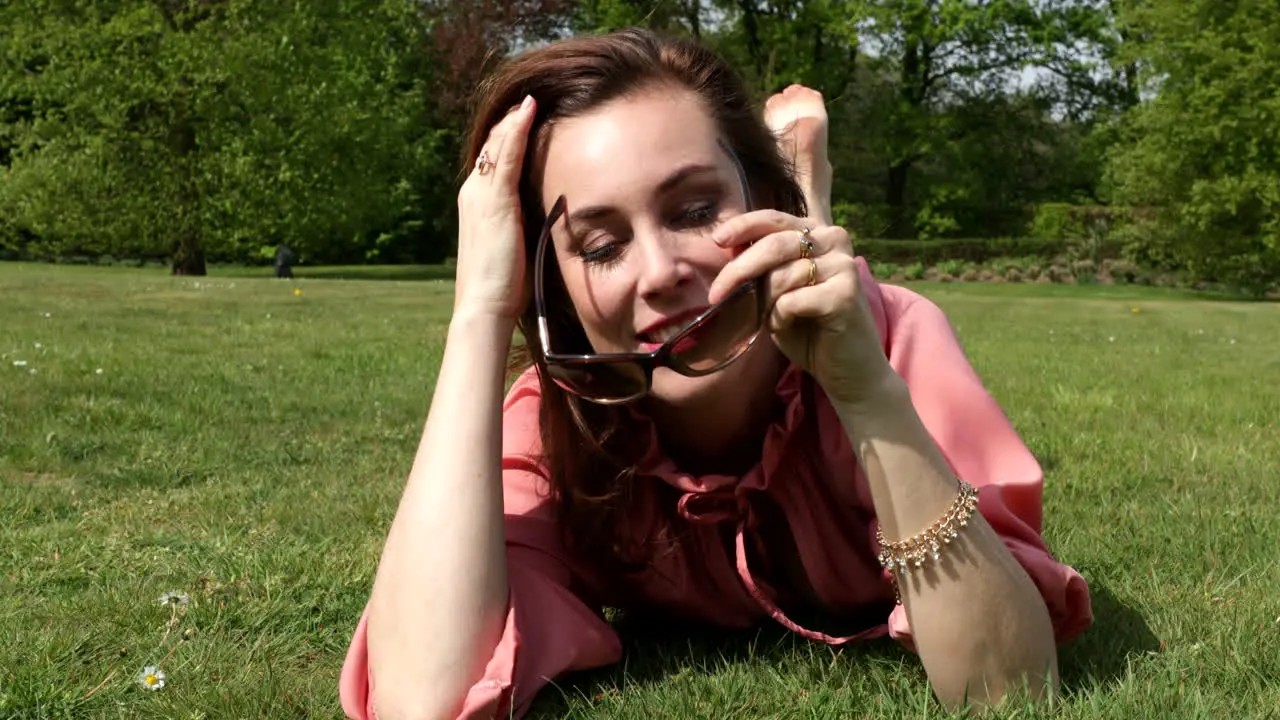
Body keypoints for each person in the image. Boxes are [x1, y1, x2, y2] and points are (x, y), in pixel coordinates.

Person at [340, 29, 1092, 720]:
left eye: (697, 209)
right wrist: (478, 313)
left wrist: (867, 397)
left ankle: (802, 187)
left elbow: (1009, 690)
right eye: (600, 247)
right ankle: (797, 185)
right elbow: (418, 699)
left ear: (757, 205)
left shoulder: (891, 338)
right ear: (553, 291)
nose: (661, 272)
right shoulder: (556, 420)